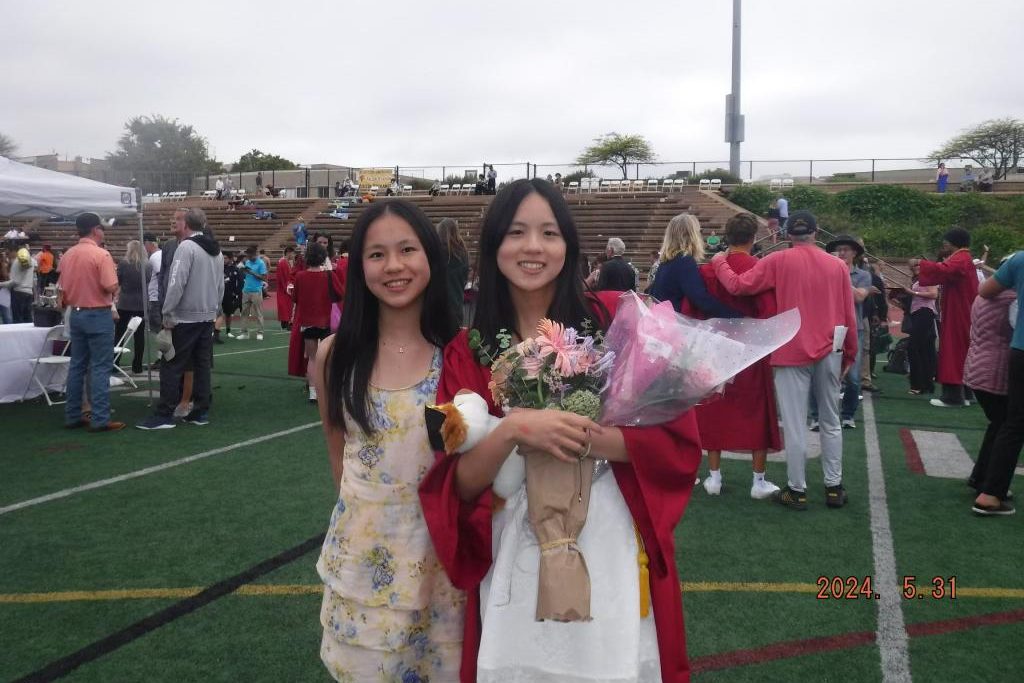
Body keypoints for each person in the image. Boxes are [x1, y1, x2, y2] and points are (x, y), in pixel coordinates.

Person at [419, 178, 702, 682]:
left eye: (549, 232)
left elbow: (673, 440)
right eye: (516, 233)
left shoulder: (616, 320)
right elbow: (458, 483)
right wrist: (515, 430)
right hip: (515, 552)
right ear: (493, 247)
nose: (533, 247)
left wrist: (577, 435)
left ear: (568, 245)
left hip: (609, 539)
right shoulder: (469, 348)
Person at [310, 199, 462, 681]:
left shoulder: (459, 352)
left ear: (431, 259)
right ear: (359, 267)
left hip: (443, 565)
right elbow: (339, 457)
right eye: (377, 254)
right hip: (363, 564)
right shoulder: (336, 355)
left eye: (407, 250)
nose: (394, 266)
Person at [712, 210, 858, 510]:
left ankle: (797, 489)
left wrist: (718, 262)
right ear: (816, 232)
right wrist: (850, 354)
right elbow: (848, 314)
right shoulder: (837, 266)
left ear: (788, 234)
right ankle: (833, 487)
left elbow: (738, 285)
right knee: (830, 420)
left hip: (791, 350)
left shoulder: (777, 260)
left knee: (794, 423)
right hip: (831, 348)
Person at [689, 213, 782, 499]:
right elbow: (770, 314)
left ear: (726, 237)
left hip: (716, 348)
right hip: (751, 351)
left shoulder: (707, 270)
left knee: (714, 409)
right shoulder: (759, 267)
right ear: (753, 238)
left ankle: (714, 477)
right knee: (756, 412)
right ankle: (758, 480)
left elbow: (693, 309)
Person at [137, 208, 223, 430]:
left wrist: (168, 311)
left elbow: (176, 282)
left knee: (171, 364)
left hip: (185, 317)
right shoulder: (217, 250)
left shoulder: (186, 247)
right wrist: (214, 310)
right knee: (201, 365)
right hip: (206, 315)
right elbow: (220, 285)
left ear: (186, 224)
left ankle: (164, 414)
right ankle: (200, 411)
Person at [58, 212, 123, 432]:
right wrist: (116, 287)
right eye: (102, 229)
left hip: (75, 313)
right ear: (96, 230)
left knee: (77, 366)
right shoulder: (101, 254)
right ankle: (100, 418)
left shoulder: (68, 254)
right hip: (97, 314)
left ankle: (73, 415)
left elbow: (62, 290)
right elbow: (110, 286)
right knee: (100, 367)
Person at [971, 252, 1024, 515]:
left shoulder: (1019, 260)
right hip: (998, 362)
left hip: (1008, 357)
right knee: (1011, 425)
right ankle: (991, 491)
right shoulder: (1009, 298)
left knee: (1006, 423)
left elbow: (985, 289)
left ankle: (986, 483)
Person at [909, 228, 979, 407]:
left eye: (947, 241)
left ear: (955, 242)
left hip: (958, 313)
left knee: (953, 351)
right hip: (961, 311)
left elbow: (943, 270)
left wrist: (921, 264)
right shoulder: (964, 258)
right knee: (961, 351)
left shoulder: (960, 258)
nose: (944, 244)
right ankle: (965, 394)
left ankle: (953, 396)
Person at [963, 283, 1016, 508]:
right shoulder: (1011, 299)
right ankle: (990, 486)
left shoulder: (982, 296)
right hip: (996, 368)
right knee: (1006, 427)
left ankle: (981, 476)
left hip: (976, 364)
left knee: (998, 424)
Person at [817, 234, 873, 429]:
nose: (841, 253)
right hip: (830, 328)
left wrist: (840, 276)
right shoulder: (826, 272)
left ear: (854, 253)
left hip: (853, 329)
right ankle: (817, 415)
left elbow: (859, 297)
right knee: (822, 374)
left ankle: (848, 414)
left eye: (845, 250)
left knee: (854, 377)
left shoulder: (864, 275)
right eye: (839, 250)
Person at [650, 213, 741, 318]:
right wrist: (735, 316)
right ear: (691, 235)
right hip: (675, 324)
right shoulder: (684, 261)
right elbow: (701, 299)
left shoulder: (666, 261)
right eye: (699, 231)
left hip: (662, 321)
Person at [287, 243, 334, 402]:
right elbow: (338, 295)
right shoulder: (329, 276)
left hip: (307, 322)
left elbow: (295, 298)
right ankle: (326, 389)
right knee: (327, 358)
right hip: (325, 321)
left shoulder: (300, 276)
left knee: (312, 358)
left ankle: (313, 392)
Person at [899, 259, 939, 394]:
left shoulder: (929, 278)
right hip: (918, 313)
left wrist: (912, 293)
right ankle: (926, 384)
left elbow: (934, 294)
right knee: (924, 349)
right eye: (911, 266)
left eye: (916, 265)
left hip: (925, 313)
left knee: (914, 347)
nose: (914, 268)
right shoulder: (918, 279)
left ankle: (917, 384)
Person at [113, 240, 150, 375]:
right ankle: (138, 365)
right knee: (139, 335)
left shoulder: (124, 264)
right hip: (141, 303)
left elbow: (119, 280)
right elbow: (148, 281)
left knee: (120, 333)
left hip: (125, 302)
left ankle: (115, 362)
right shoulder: (148, 265)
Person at [437, 218, 469, 327]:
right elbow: (464, 280)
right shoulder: (463, 253)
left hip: (437, 307)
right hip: (456, 305)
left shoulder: (436, 252)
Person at [239, 246, 267, 340]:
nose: (248, 257)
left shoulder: (261, 263)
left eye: (249, 255)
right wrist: (243, 271)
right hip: (246, 290)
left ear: (254, 254)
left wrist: (251, 273)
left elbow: (263, 277)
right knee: (244, 312)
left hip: (256, 291)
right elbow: (246, 275)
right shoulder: (247, 262)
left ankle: (260, 332)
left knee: (258, 312)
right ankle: (244, 333)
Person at [1, 247, 35, 323]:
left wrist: (1, 284)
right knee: (28, 318)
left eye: (8, 253)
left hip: (18, 293)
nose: (7, 256)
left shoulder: (17, 262)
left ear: (13, 252)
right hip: (29, 292)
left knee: (18, 319)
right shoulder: (31, 260)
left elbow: (15, 282)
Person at [144, 233, 162, 334]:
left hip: (156, 298)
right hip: (157, 296)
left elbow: (161, 276)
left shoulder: (155, 256)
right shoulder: (158, 255)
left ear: (148, 243)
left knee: (157, 329)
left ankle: (163, 349)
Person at [276, 246, 296, 329]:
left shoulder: (286, 262)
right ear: (288, 253)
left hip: (284, 287)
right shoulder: (283, 263)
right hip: (284, 289)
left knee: (285, 306)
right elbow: (285, 277)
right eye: (293, 253)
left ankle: (284, 323)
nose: (293, 255)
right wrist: (289, 287)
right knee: (285, 306)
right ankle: (286, 323)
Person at [0, 250, 12, 324]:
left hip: (3, 290)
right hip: (3, 290)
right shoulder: (4, 265)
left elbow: (7, 277)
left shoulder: (5, 264)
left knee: (6, 315)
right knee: (6, 315)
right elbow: (5, 276)